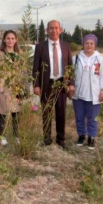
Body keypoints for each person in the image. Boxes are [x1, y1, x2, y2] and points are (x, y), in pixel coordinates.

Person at [32, 20, 74, 148]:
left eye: (56, 28)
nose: (54, 30)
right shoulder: (40, 47)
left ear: (60, 30)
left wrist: (71, 83)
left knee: (61, 112)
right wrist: (36, 85)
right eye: (51, 28)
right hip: (46, 84)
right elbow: (35, 68)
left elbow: (70, 66)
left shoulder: (66, 46)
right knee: (46, 112)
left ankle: (61, 140)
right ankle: (46, 139)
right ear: (47, 30)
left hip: (61, 83)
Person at [0, 30, 28, 145]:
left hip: (16, 87)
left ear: (16, 40)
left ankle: (16, 136)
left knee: (16, 113)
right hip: (3, 87)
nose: (10, 40)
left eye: (12, 38)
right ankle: (2, 136)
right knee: (2, 112)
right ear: (4, 40)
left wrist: (24, 89)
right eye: (8, 38)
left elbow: (24, 73)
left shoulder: (20, 54)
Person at [72, 34, 103, 149]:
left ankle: (91, 137)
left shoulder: (100, 59)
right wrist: (70, 87)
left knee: (92, 118)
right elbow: (71, 75)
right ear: (83, 44)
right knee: (79, 117)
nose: (89, 45)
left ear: (95, 45)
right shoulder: (76, 58)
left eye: (91, 43)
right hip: (79, 94)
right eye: (87, 43)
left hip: (94, 94)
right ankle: (81, 136)